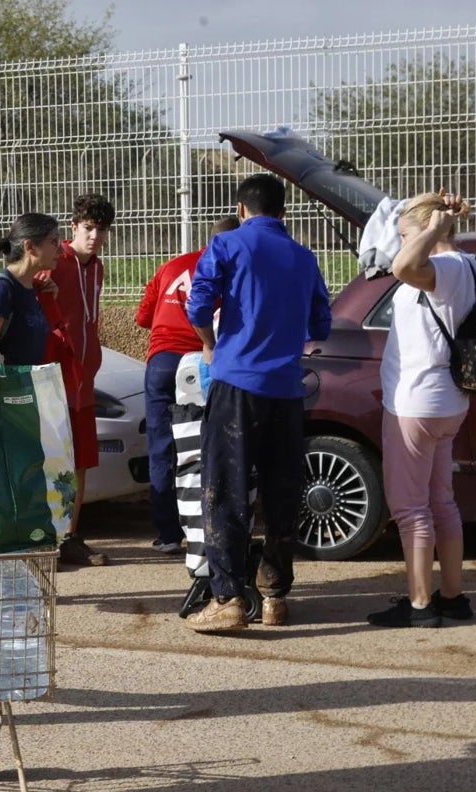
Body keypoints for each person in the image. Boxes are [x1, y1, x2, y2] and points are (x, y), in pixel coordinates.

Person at [184, 174, 332, 632]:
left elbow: (197, 304)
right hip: (286, 391)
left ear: (242, 209)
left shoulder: (227, 245)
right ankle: (275, 597)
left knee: (226, 489)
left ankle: (227, 598)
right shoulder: (304, 257)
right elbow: (321, 325)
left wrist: (210, 342)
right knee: (282, 492)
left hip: (236, 385)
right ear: (283, 213)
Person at [367, 191, 476, 628]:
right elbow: (398, 239)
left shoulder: (444, 268)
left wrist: (430, 229)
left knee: (411, 508)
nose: (399, 241)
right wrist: (430, 210)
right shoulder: (466, 263)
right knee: (440, 501)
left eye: (403, 234)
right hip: (445, 402)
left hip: (417, 402)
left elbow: (401, 265)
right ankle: (452, 597)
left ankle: (419, 604)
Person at [136, 215, 240, 556]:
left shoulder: (172, 266)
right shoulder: (230, 268)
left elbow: (142, 318)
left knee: (161, 447)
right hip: (200, 363)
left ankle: (168, 534)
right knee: (204, 446)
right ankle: (207, 527)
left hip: (161, 362)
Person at [33, 194, 116, 566]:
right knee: (50, 456)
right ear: (74, 228)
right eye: (88, 228)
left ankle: (71, 536)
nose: (94, 236)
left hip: (84, 377)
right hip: (55, 376)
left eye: (101, 230)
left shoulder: (96, 268)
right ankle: (40, 534)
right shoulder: (54, 264)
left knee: (81, 458)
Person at [0, 212, 58, 364]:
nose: (59, 250)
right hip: (8, 386)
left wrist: (50, 301)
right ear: (30, 246)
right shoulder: (0, 289)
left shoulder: (36, 288)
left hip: (31, 384)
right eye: (53, 242)